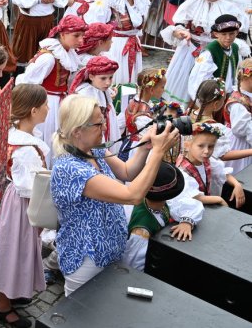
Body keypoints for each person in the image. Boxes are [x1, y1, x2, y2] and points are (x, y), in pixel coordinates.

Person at [51, 94, 180, 296]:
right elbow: (133, 195)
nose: (104, 128)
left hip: (110, 245)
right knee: (83, 314)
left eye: (103, 121)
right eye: (98, 124)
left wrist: (145, 148)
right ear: (77, 131)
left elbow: (127, 172)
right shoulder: (70, 168)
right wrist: (158, 152)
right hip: (88, 257)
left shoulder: (93, 150)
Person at [0, 84, 47, 328]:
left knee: (12, 247)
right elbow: (30, 187)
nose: (48, 108)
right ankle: (3, 305)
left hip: (8, 197)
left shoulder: (10, 134)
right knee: (15, 250)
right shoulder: (28, 149)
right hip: (21, 204)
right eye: (44, 105)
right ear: (33, 111)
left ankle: (11, 292)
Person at [161, 0, 247, 106]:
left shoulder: (229, 6)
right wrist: (180, 32)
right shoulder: (194, 1)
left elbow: (238, 32)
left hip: (216, 52)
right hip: (190, 50)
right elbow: (179, 23)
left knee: (210, 86)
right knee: (183, 85)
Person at [16, 15, 86, 157]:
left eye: (82, 36)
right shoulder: (49, 57)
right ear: (63, 34)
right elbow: (28, 83)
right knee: (49, 136)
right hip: (47, 102)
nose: (81, 40)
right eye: (76, 36)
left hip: (60, 101)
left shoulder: (67, 52)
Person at [121, 162, 203, 271]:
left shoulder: (164, 203)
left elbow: (192, 205)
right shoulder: (141, 231)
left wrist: (187, 222)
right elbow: (133, 264)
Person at [84, 0, 150, 85]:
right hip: (114, 46)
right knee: (114, 79)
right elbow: (95, 23)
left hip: (133, 44)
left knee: (131, 79)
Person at [176, 122, 244, 208]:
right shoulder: (182, 170)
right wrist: (218, 199)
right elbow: (194, 196)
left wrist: (237, 184)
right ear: (187, 145)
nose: (206, 151)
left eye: (211, 146)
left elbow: (222, 173)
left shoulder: (208, 161)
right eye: (201, 146)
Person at [189, 15, 243, 100]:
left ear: (237, 32)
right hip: (213, 99)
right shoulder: (209, 52)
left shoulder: (235, 48)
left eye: (232, 33)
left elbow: (236, 73)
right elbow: (199, 79)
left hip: (230, 97)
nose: (228, 38)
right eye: (224, 34)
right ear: (216, 34)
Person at [69, 56, 120, 143]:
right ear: (91, 77)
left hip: (105, 128)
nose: (108, 83)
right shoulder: (84, 94)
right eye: (103, 78)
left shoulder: (103, 89)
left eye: (110, 78)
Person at [223, 59, 252, 175]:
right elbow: (243, 129)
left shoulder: (248, 97)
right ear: (247, 77)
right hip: (240, 145)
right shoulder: (238, 103)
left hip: (246, 143)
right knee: (240, 174)